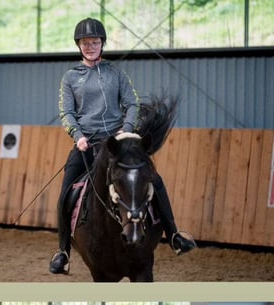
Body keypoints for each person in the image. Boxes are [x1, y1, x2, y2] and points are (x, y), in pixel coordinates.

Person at [49, 17, 196, 275]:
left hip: (119, 141)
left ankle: (174, 235)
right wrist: (78, 135)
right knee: (66, 193)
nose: (90, 46)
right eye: (85, 43)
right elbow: (67, 112)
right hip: (87, 143)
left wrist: (126, 129)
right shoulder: (70, 78)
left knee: (154, 180)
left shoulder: (116, 73)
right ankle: (63, 251)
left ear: (102, 44)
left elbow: (132, 104)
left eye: (95, 42)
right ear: (79, 45)